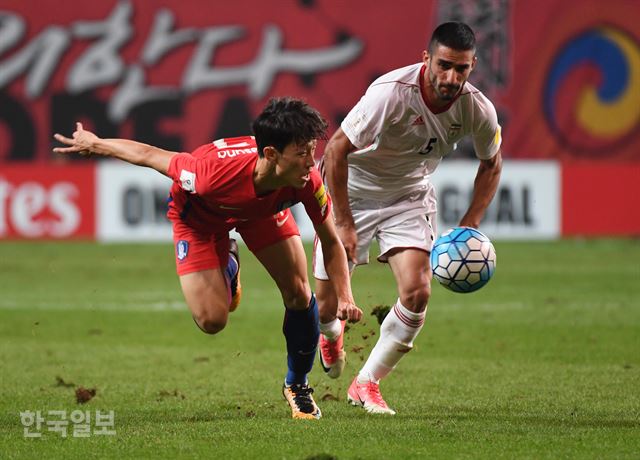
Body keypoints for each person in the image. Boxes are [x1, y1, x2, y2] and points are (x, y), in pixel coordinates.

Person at [53, 97, 363, 420]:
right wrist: (97, 143)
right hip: (199, 222)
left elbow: (331, 240)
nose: (310, 162)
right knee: (212, 321)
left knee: (299, 292)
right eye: (301, 154)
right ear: (271, 154)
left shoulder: (305, 180)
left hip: (260, 213)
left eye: (312, 150)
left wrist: (345, 295)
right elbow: (151, 155)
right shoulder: (209, 174)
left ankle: (297, 384)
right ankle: (229, 262)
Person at [313, 22, 503, 415]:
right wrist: (344, 222)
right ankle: (330, 333)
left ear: (473, 66)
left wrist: (470, 221)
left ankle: (367, 383)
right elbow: (334, 151)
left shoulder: (477, 108)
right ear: (426, 60)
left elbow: (492, 163)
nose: (451, 78)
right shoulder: (390, 95)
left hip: (409, 196)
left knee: (417, 292)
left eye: (462, 69)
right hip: (354, 192)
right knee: (324, 305)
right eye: (444, 65)